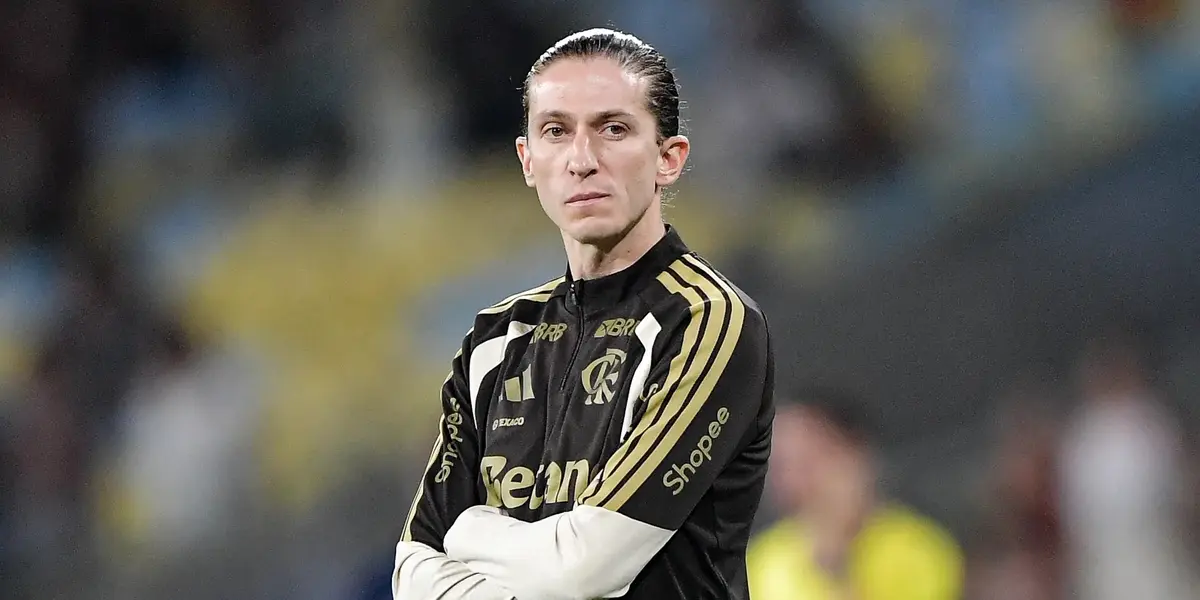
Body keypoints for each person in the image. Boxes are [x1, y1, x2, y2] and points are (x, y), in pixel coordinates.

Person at [392, 28, 775, 600]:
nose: (582, 160)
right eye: (556, 131)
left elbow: (582, 571)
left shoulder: (706, 319)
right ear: (527, 160)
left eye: (613, 129)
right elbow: (412, 573)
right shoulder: (495, 338)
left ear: (669, 158)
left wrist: (471, 532)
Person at [746, 386, 962, 600]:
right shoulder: (761, 562)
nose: (795, 480)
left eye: (811, 460)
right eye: (784, 464)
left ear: (856, 455)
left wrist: (837, 557)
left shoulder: (919, 550)